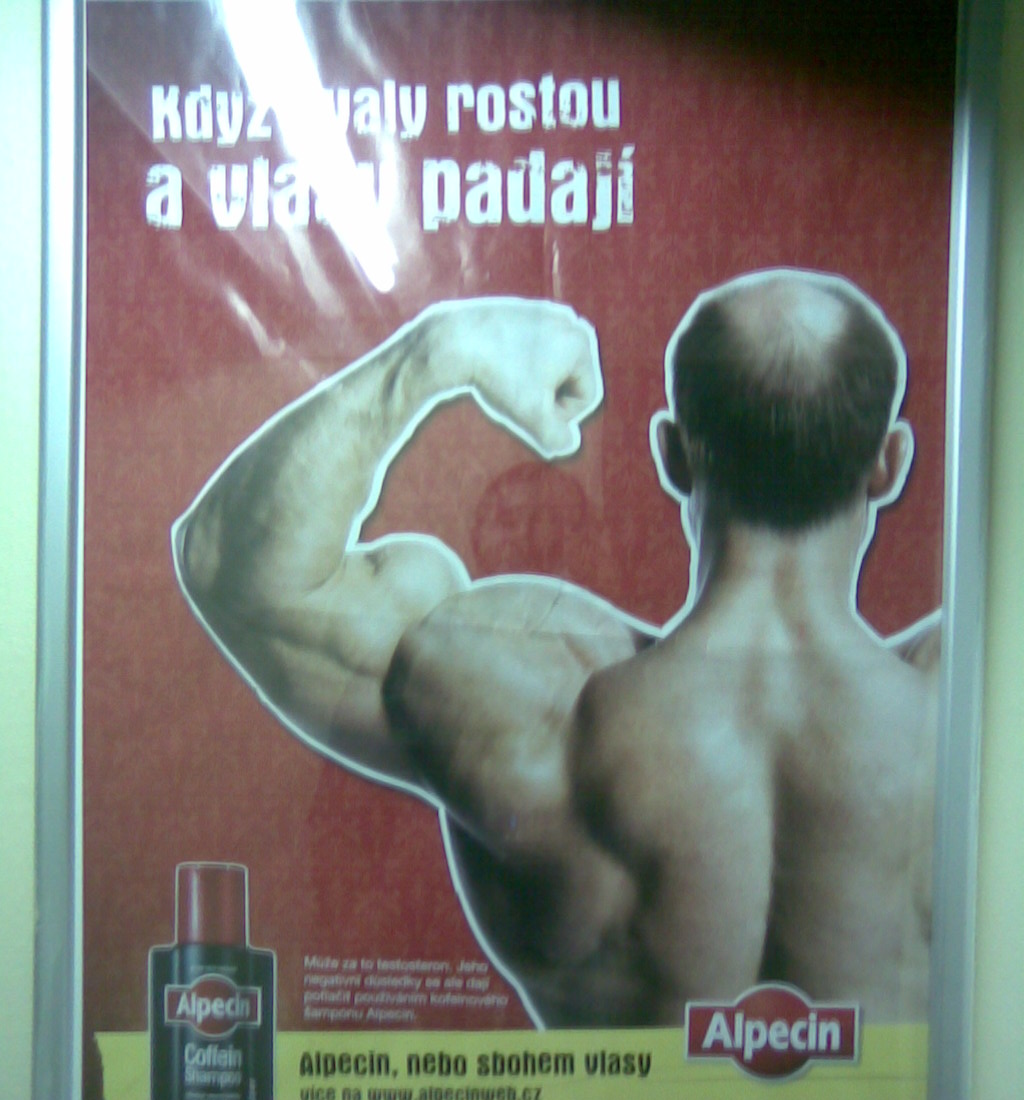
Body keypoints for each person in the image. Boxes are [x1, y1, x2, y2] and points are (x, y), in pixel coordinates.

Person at [172, 269, 939, 1029]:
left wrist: (436, 353)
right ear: (891, 462)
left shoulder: (525, 705)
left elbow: (236, 570)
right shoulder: (965, 709)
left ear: (673, 455)